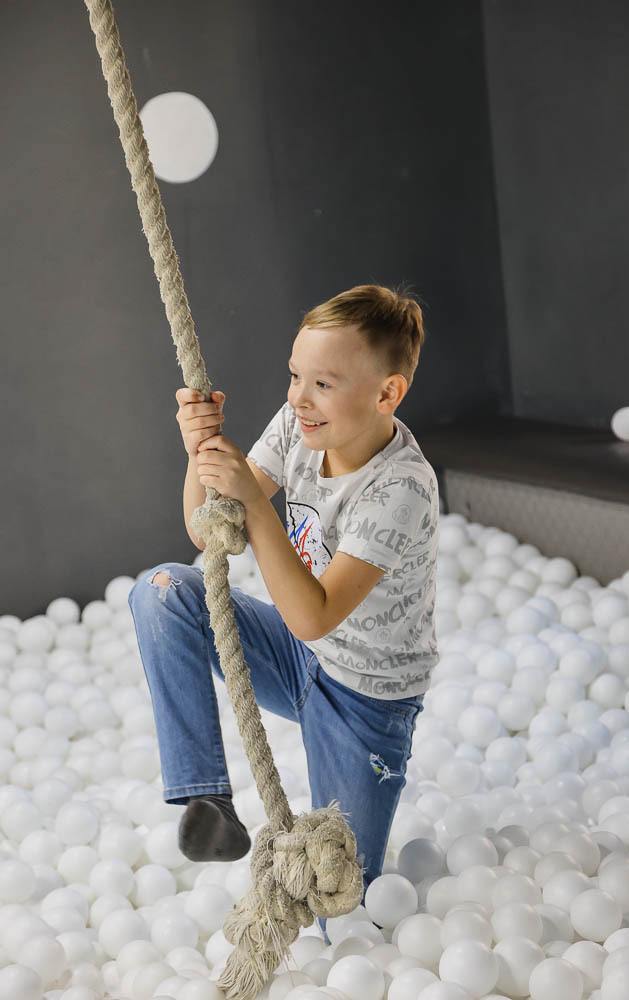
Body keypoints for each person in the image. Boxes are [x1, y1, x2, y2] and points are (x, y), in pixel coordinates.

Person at [127, 283, 440, 930]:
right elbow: (204, 530)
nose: (299, 397)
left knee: (340, 905)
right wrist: (202, 454)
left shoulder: (401, 487)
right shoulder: (300, 423)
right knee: (163, 590)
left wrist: (254, 501)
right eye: (295, 376)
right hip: (298, 656)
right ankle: (208, 800)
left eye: (323, 383)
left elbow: (314, 614)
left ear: (386, 394)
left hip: (366, 701)